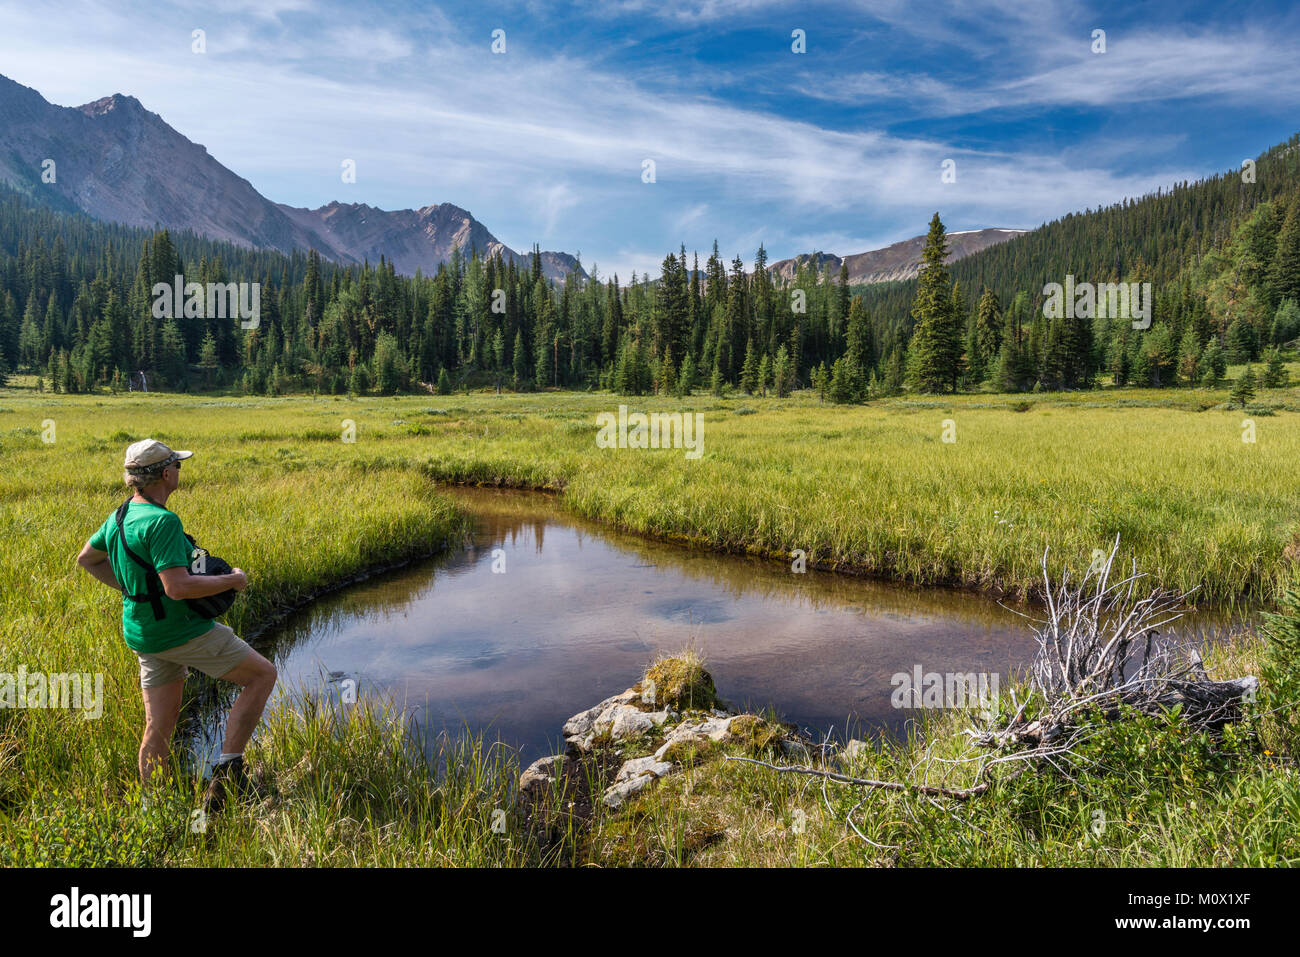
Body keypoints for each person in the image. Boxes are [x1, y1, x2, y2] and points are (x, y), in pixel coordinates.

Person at [75, 439, 276, 812]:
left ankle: (155, 806)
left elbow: (87, 559)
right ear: (165, 474)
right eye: (177, 466)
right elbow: (178, 587)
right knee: (262, 675)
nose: (180, 471)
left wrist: (138, 592)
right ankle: (229, 770)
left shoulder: (120, 516)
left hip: (142, 632)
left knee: (159, 722)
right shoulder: (163, 521)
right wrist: (233, 580)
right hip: (179, 632)